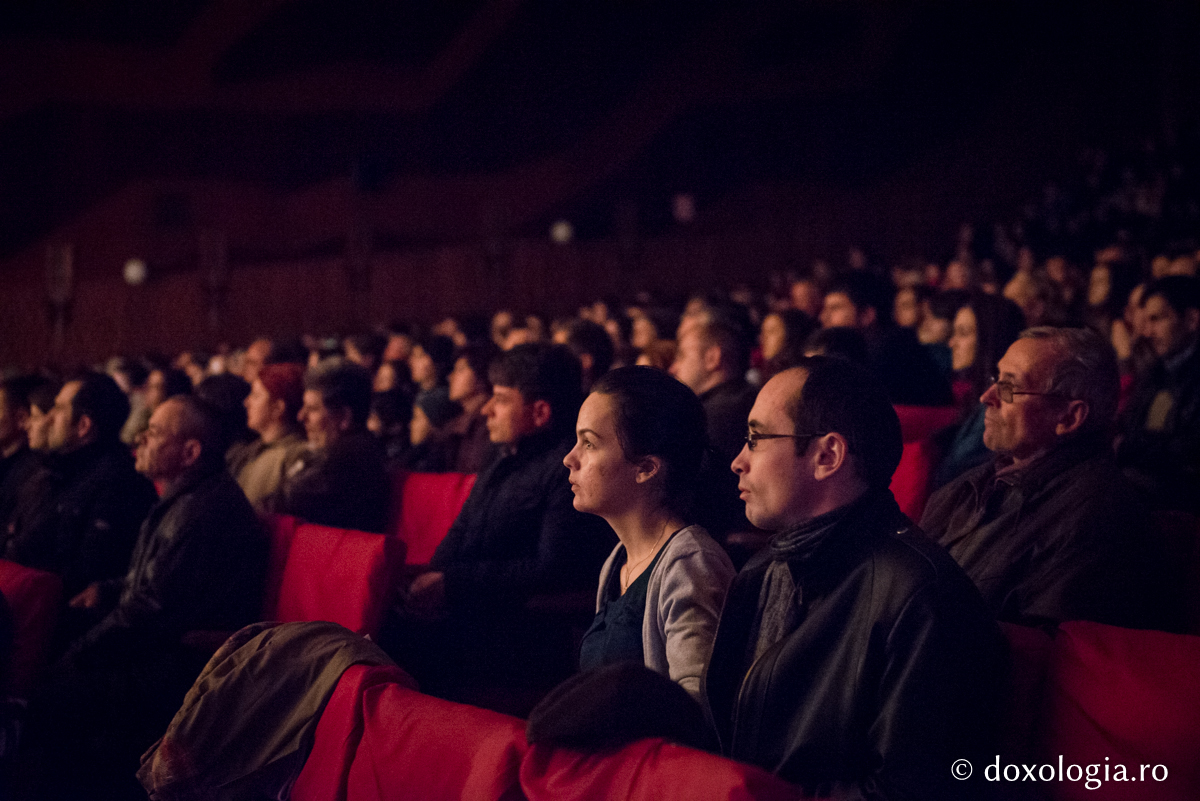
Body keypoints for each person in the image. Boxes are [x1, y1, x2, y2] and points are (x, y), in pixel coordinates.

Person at [704, 358, 1004, 797]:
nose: (738, 460)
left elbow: (909, 791)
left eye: (755, 438)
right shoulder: (766, 570)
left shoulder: (920, 597)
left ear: (827, 456)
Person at [27, 395, 267, 799]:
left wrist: (78, 653)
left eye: (154, 432)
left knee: (48, 694)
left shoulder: (201, 512)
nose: (140, 437)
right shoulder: (187, 497)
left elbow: (149, 611)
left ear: (190, 452)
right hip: (157, 645)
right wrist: (107, 590)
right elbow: (152, 583)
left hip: (179, 666)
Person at [385, 344, 612, 702]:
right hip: (468, 612)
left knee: (384, 651)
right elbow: (462, 529)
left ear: (539, 412)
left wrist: (452, 583)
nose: (487, 410)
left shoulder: (565, 470)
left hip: (517, 634)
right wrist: (432, 581)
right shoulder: (504, 455)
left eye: (502, 399)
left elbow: (553, 568)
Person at [922, 327, 1170, 630]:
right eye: (996, 380)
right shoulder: (975, 483)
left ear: (1068, 418)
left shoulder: (1095, 520)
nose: (987, 397)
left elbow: (1036, 653)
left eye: (1010, 387)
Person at [564, 367, 733, 701]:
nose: (570, 458)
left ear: (646, 468)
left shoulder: (689, 564)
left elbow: (695, 707)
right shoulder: (618, 561)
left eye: (589, 443)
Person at [3, 372, 157, 600]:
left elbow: (85, 573)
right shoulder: (58, 469)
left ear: (83, 426)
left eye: (59, 409)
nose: (50, 418)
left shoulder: (118, 485)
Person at [271, 358, 389, 533]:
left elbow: (281, 503)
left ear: (343, 417)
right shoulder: (353, 451)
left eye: (312, 409)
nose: (301, 416)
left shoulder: (348, 461)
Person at [1117, 275, 1200, 512]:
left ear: (1192, 319)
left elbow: (1189, 450)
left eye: (1157, 319)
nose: (1147, 332)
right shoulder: (1156, 372)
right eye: (1146, 321)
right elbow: (1130, 425)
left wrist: (1129, 447)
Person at [933, 293, 1027, 487]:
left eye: (964, 333)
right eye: (954, 332)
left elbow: (954, 473)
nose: (952, 343)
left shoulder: (998, 405)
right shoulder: (974, 398)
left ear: (991, 338)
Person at [821, 272, 953, 406]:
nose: (823, 317)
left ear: (867, 315)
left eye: (834, 308)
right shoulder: (874, 349)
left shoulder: (891, 353)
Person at [229, 363, 308, 510]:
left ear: (278, 408)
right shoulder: (249, 452)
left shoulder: (296, 456)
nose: (247, 402)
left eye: (256, 395)